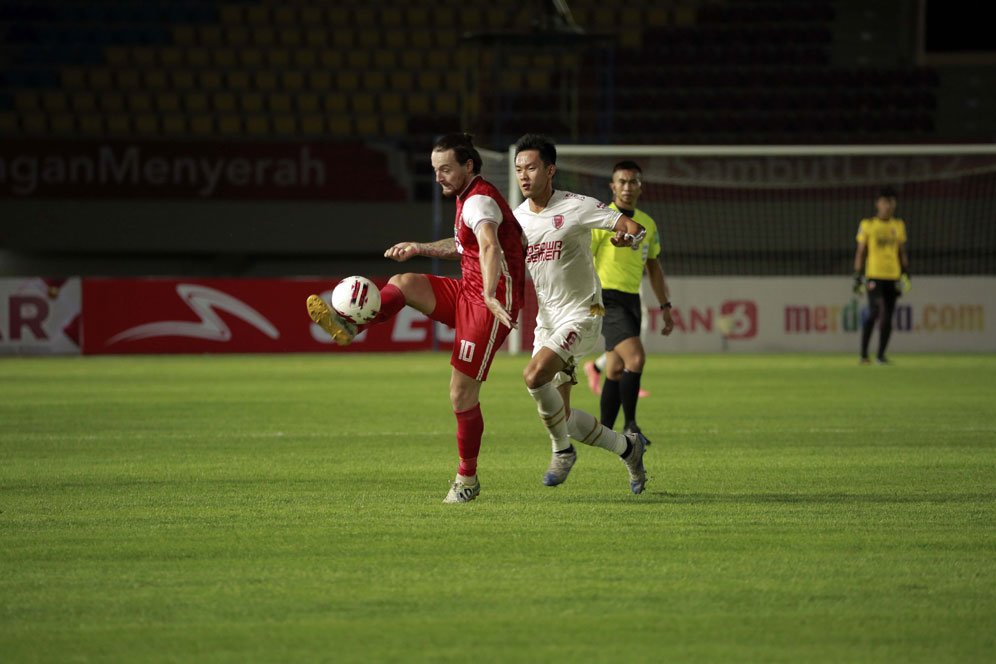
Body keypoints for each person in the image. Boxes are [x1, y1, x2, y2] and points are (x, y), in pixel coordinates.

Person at [307, 133, 526, 504]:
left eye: (445, 169)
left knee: (461, 394)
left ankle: (467, 479)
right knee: (403, 282)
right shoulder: (467, 197)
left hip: (490, 302)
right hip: (468, 291)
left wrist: (489, 294)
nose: (438, 176)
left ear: (468, 165)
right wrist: (419, 248)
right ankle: (351, 327)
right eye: (434, 170)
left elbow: (488, 244)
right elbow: (464, 246)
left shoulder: (480, 202)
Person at [511, 134, 651, 494]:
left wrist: (628, 239)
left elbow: (633, 229)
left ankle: (562, 452)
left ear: (550, 169)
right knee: (566, 417)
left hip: (583, 312)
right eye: (518, 170)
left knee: (533, 375)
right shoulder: (517, 219)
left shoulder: (576, 205)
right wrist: (421, 247)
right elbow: (478, 246)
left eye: (530, 167)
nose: (523, 176)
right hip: (548, 322)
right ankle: (628, 448)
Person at [584, 160, 674, 436]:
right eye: (621, 181)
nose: (627, 187)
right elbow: (585, 258)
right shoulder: (602, 219)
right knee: (636, 359)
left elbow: (654, 266)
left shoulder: (647, 223)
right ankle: (631, 425)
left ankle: (605, 429)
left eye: (633, 181)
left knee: (614, 369)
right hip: (606, 298)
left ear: (640, 187)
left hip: (631, 299)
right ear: (612, 186)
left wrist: (665, 305)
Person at [852, 186, 910, 365]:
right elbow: (861, 251)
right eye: (885, 201)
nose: (889, 206)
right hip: (874, 276)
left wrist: (906, 273)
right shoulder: (868, 225)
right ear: (878, 203)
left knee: (887, 315)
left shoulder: (898, 225)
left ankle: (880, 355)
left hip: (892, 276)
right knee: (877, 310)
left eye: (892, 202)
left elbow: (901, 251)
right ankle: (863, 354)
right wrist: (857, 275)